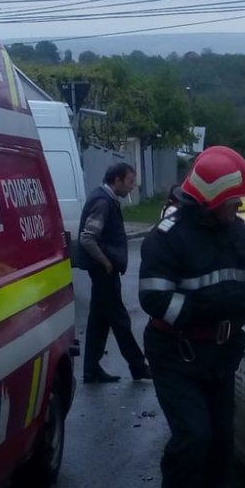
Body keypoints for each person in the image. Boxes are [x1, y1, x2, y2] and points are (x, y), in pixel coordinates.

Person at [138, 147, 245, 488]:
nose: (237, 208)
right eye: (232, 203)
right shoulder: (167, 237)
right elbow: (154, 299)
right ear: (212, 200)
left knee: (220, 441)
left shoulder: (237, 231)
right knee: (193, 436)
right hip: (176, 354)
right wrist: (213, 307)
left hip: (220, 353)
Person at [78, 162, 151, 383]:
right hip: (103, 272)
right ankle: (138, 366)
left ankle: (91, 369)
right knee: (119, 319)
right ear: (116, 180)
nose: (132, 187)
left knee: (99, 320)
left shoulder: (107, 199)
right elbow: (87, 237)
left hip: (104, 270)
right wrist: (106, 262)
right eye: (129, 181)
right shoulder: (103, 202)